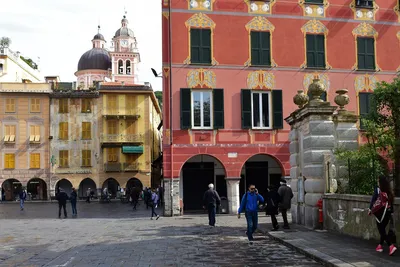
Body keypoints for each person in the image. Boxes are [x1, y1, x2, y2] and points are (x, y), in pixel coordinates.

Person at [369, 175, 397, 256]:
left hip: (380, 214)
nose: (377, 182)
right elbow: (391, 204)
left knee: (381, 230)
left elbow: (373, 201)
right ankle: (380, 246)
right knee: (383, 230)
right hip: (387, 213)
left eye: (378, 181)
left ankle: (390, 246)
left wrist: (370, 209)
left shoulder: (378, 190)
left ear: (380, 182)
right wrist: (391, 212)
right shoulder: (389, 191)